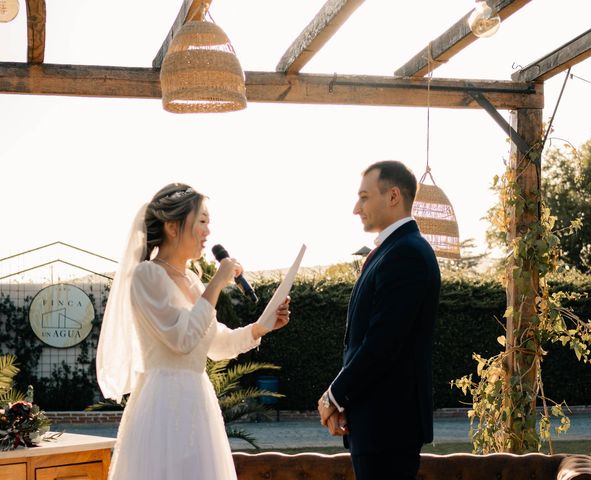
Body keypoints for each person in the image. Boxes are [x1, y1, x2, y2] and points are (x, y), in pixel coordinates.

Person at [96, 183, 290, 480]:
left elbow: (216, 343)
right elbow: (181, 339)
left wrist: (259, 328)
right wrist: (216, 283)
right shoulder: (147, 275)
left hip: (199, 403)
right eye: (202, 221)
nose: (208, 232)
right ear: (173, 227)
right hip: (162, 403)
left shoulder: (192, 280)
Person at [317, 161, 441, 480]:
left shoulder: (407, 254)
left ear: (393, 196)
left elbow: (382, 344)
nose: (356, 208)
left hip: (389, 425)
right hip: (375, 422)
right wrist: (348, 401)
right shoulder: (394, 250)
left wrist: (334, 395)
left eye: (364, 197)